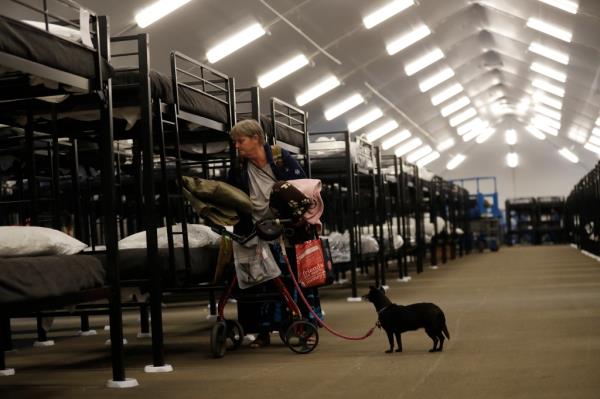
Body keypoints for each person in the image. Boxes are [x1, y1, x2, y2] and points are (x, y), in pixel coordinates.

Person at [229, 119, 322, 348]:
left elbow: (303, 189)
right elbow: (235, 199)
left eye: (240, 141)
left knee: (299, 280)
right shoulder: (239, 168)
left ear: (256, 139)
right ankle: (262, 333)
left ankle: (304, 327)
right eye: (235, 142)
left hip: (289, 228)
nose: (237, 147)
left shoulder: (281, 158)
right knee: (263, 283)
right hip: (257, 230)